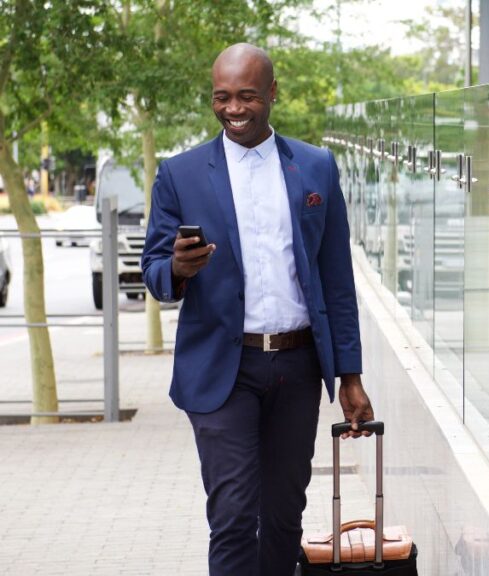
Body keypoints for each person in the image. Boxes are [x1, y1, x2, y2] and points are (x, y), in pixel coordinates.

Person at [141, 43, 374, 576]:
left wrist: (350, 378)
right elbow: (154, 273)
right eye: (221, 98)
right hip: (222, 370)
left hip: (296, 367)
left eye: (247, 96)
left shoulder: (315, 166)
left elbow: (336, 280)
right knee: (233, 516)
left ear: (272, 93)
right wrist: (177, 268)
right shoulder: (180, 174)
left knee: (284, 517)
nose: (234, 109)